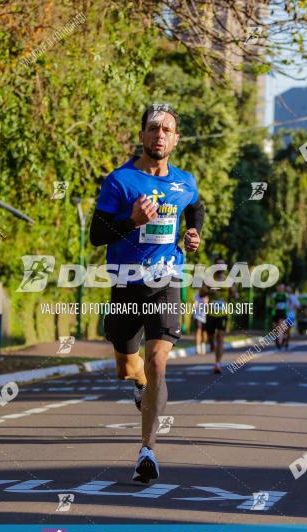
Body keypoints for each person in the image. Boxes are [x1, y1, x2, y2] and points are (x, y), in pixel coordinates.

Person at [89, 103, 204, 484]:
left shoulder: (184, 181)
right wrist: (131, 221)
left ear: (176, 138)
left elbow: (195, 207)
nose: (159, 135)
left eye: (167, 129)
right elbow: (97, 235)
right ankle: (139, 386)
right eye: (153, 128)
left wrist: (193, 234)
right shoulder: (120, 181)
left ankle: (147, 450)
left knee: (158, 360)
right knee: (128, 366)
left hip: (167, 280)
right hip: (126, 282)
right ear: (142, 135)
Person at [204, 262, 238, 373]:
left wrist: (233, 293)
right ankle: (212, 343)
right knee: (211, 337)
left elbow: (236, 296)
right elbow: (200, 293)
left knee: (221, 338)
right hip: (210, 313)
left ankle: (217, 364)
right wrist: (209, 291)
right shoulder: (209, 279)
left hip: (223, 314)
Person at [270, 283, 288, 349]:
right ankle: (278, 339)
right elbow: (270, 303)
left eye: (282, 288)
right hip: (275, 313)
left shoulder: (285, 295)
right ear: (277, 288)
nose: (280, 289)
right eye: (279, 287)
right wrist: (274, 305)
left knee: (281, 327)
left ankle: (281, 341)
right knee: (275, 327)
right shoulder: (274, 294)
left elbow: (289, 303)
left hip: (282, 313)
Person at [193, 285, 208, 354]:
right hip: (197, 316)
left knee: (204, 333)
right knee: (198, 331)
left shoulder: (207, 296)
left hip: (204, 317)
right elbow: (195, 304)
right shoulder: (197, 295)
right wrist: (195, 305)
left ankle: (203, 345)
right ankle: (197, 348)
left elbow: (208, 305)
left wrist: (206, 303)